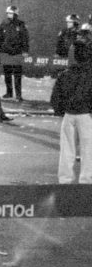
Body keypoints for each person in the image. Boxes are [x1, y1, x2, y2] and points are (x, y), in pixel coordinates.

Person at [51, 36, 92, 183]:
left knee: (67, 150)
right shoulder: (89, 75)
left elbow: (55, 98)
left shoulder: (64, 74)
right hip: (86, 115)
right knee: (88, 151)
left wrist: (60, 111)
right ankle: (87, 181)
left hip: (69, 115)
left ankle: (65, 180)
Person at [0, 5, 30, 101]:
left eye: (10, 13)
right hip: (6, 52)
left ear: (15, 14)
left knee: (17, 75)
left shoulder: (21, 25)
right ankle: (9, 92)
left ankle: (18, 94)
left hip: (17, 53)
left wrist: (25, 50)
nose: (8, 15)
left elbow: (25, 38)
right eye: (8, 13)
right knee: (7, 74)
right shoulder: (4, 24)